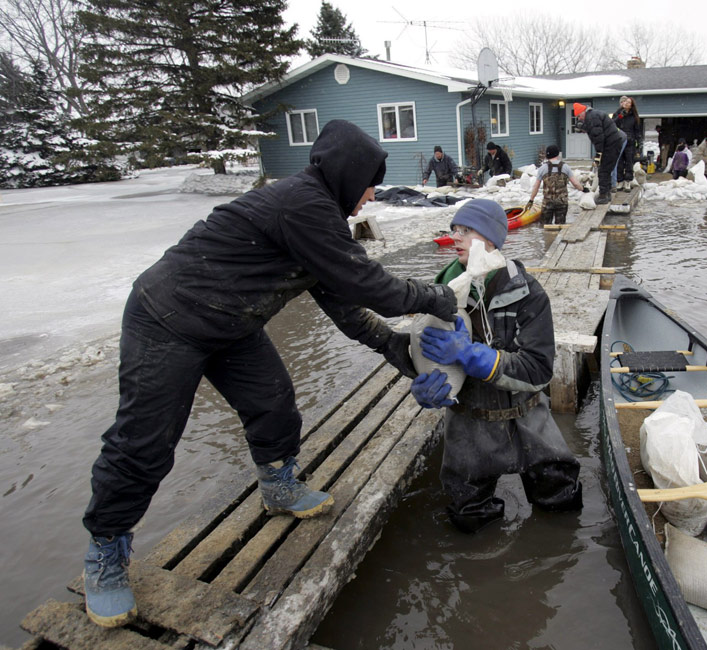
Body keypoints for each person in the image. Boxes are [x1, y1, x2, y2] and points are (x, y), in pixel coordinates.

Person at [80, 120, 457, 628]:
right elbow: (371, 285)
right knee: (145, 442)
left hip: (230, 323)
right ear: (347, 173)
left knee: (274, 403)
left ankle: (277, 486)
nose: (372, 192)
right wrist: (435, 297)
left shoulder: (319, 217)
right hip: (166, 319)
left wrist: (393, 346)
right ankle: (105, 550)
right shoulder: (302, 204)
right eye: (370, 180)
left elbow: (343, 301)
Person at [410, 199, 583, 533]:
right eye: (454, 230)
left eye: (466, 230)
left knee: (561, 498)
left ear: (490, 239)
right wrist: (424, 385)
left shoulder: (527, 294)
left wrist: (472, 355)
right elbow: (420, 352)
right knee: (469, 518)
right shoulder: (439, 295)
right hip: (468, 425)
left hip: (529, 418)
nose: (455, 238)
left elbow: (538, 370)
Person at [572, 102, 626, 205]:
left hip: (610, 145)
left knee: (603, 170)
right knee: (607, 169)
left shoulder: (591, 119)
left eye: (579, 116)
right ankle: (607, 193)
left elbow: (598, 137)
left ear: (583, 112)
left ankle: (603, 195)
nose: (579, 118)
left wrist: (599, 153)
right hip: (614, 143)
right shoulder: (594, 115)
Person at [525, 144, 586, 225]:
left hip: (547, 203)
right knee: (560, 227)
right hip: (562, 203)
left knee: (545, 227)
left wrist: (531, 200)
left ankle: (547, 237)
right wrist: (583, 189)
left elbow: (536, 186)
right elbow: (575, 183)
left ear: (547, 155)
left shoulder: (542, 168)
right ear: (557, 154)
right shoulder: (565, 167)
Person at [612, 96, 642, 191]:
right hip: (619, 140)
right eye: (625, 102)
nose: (626, 103)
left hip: (630, 141)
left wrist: (639, 142)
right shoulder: (618, 113)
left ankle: (628, 181)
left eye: (628, 102)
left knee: (629, 162)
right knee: (619, 161)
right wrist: (621, 115)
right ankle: (620, 181)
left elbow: (637, 130)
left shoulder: (634, 116)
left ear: (631, 105)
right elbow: (612, 124)